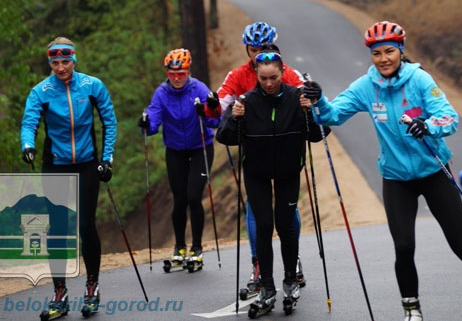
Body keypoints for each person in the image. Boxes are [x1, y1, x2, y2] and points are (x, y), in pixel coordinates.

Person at [302, 21, 462, 321]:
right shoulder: (366, 86)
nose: (383, 59)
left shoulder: (419, 79)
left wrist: (427, 125)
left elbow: (450, 117)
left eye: (390, 51)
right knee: (403, 247)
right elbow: (332, 115)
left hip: (433, 172)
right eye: (377, 53)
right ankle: (412, 311)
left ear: (401, 51)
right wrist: (318, 99)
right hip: (396, 179)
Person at [216, 47, 326, 317]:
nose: (268, 83)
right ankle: (267, 287)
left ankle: (290, 280)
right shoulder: (247, 100)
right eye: (263, 78)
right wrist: (236, 118)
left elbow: (318, 135)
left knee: (285, 224)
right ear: (256, 74)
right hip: (257, 172)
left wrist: (310, 112)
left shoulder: (296, 96)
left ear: (282, 73)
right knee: (264, 225)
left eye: (273, 77)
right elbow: (225, 137)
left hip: (289, 170)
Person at [21, 37, 117, 316]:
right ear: (49, 63)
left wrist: (107, 158)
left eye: (65, 61)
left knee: (86, 226)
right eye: (55, 62)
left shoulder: (92, 86)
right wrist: (27, 145)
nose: (61, 67)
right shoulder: (41, 91)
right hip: (55, 165)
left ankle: (92, 288)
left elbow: (109, 121)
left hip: (87, 164)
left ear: (74, 60)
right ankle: (59, 294)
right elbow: (30, 122)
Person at [210, 22, 307, 293]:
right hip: (257, 156)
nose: (257, 56)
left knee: (287, 216)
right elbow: (220, 106)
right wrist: (213, 108)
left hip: (286, 155)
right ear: (247, 49)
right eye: (253, 50)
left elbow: (310, 102)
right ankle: (259, 265)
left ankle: (293, 259)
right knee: (259, 214)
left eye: (263, 49)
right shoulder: (239, 75)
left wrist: (313, 105)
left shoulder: (286, 73)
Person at [137, 48, 221, 268]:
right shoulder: (161, 93)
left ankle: (197, 247)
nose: (176, 78)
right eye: (172, 73)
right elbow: (153, 117)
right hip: (175, 150)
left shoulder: (199, 88)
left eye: (181, 73)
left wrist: (210, 109)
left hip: (200, 146)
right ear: (167, 72)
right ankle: (180, 247)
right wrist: (147, 125)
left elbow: (214, 121)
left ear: (188, 71)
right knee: (180, 199)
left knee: (194, 196)